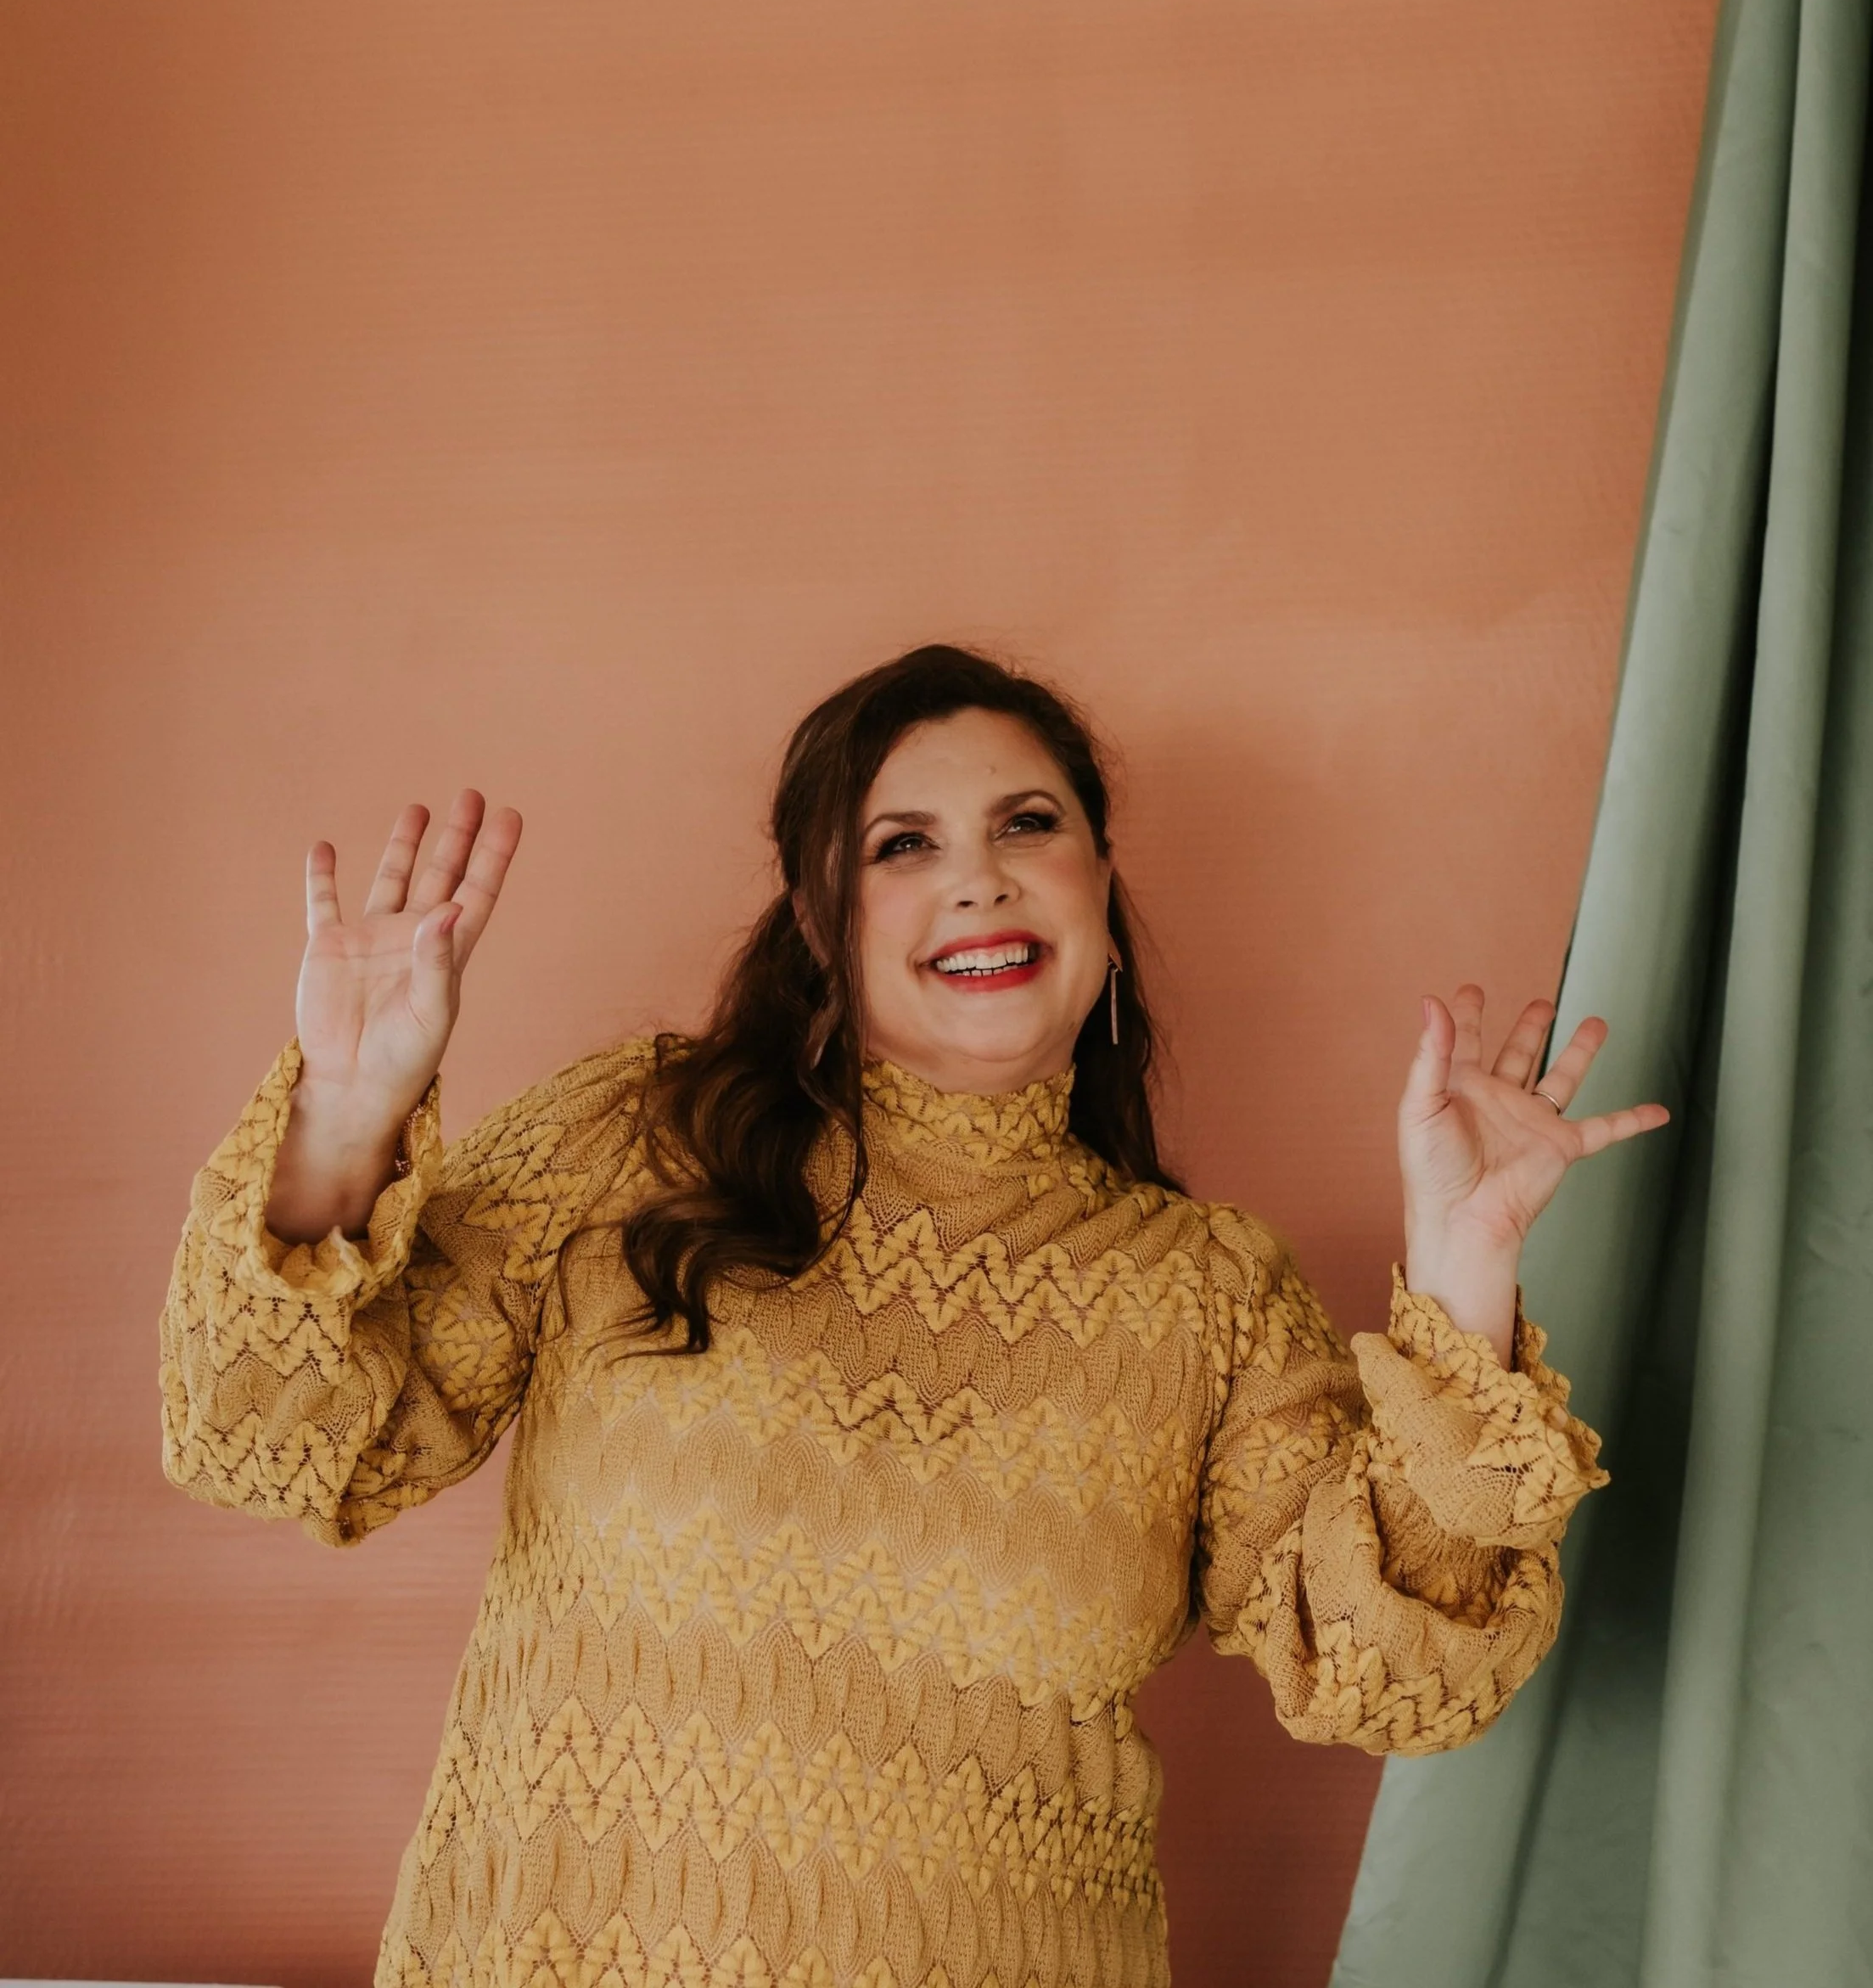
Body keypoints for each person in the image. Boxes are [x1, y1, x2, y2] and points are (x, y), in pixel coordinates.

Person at [160, 643, 1668, 1988]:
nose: (979, 876)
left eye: (1030, 825)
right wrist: (348, 1120)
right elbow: (270, 1446)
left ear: (1101, 902)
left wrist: (1465, 1275)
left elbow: (1396, 1680)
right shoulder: (641, 1143)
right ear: (822, 924)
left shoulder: (1205, 1293)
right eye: (902, 844)